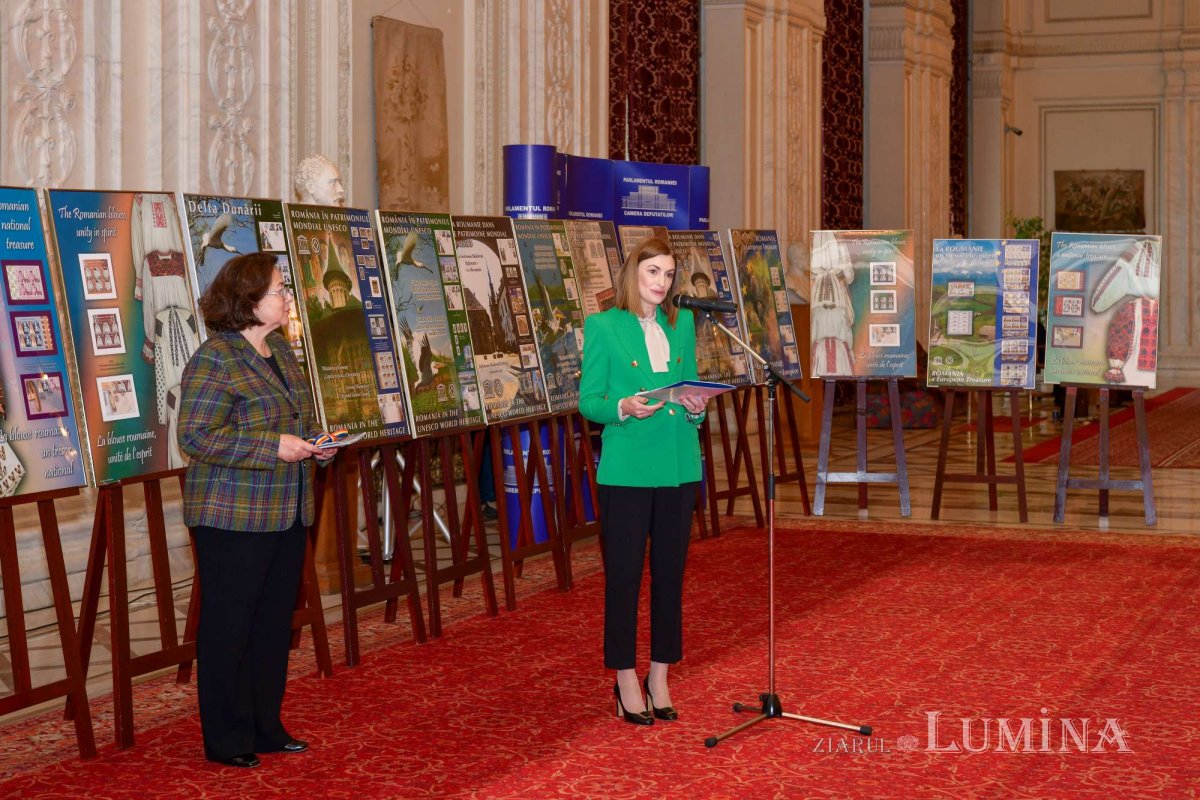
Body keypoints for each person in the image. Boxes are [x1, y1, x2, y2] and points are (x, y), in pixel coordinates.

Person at [178, 252, 335, 768]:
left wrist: (317, 444)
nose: (288, 297)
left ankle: (266, 725)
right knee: (230, 626)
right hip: (232, 515)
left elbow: (294, 418)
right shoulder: (214, 358)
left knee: (271, 624)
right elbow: (196, 436)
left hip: (287, 509)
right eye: (279, 290)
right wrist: (272, 446)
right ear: (248, 302)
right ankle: (227, 737)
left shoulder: (280, 352)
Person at [578, 236, 708, 726]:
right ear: (633, 273)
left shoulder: (684, 323)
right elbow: (589, 400)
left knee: (671, 576)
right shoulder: (603, 326)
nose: (662, 283)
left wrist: (696, 408)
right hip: (628, 468)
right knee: (626, 577)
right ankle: (625, 677)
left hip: (677, 466)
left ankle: (660, 674)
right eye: (653, 272)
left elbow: (691, 387)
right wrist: (622, 408)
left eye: (669, 275)